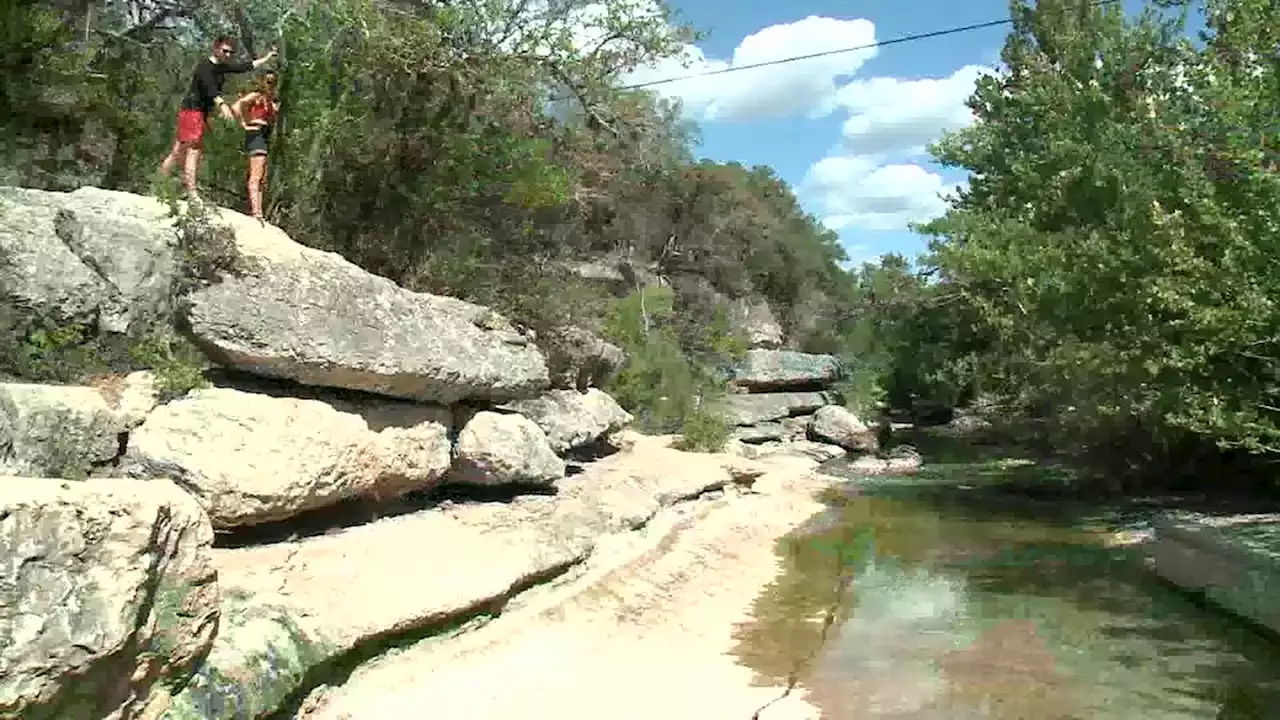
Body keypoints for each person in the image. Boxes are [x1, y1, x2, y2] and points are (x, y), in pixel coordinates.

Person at [159, 36, 277, 198]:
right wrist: (222, 106)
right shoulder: (205, 67)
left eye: (231, 52)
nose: (228, 55)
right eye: (225, 51)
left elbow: (244, 67)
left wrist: (266, 58)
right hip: (193, 110)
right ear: (216, 48)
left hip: (197, 112)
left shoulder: (221, 67)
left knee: (178, 151)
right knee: (194, 150)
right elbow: (210, 88)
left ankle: (159, 182)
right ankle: (192, 192)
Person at [232, 71, 280, 222]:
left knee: (263, 176)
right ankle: (256, 212)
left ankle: (258, 210)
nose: (270, 85)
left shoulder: (270, 101)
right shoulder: (256, 97)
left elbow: (272, 121)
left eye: (273, 82)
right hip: (256, 134)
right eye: (268, 81)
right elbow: (238, 106)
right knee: (256, 174)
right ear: (262, 82)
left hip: (264, 136)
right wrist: (245, 123)